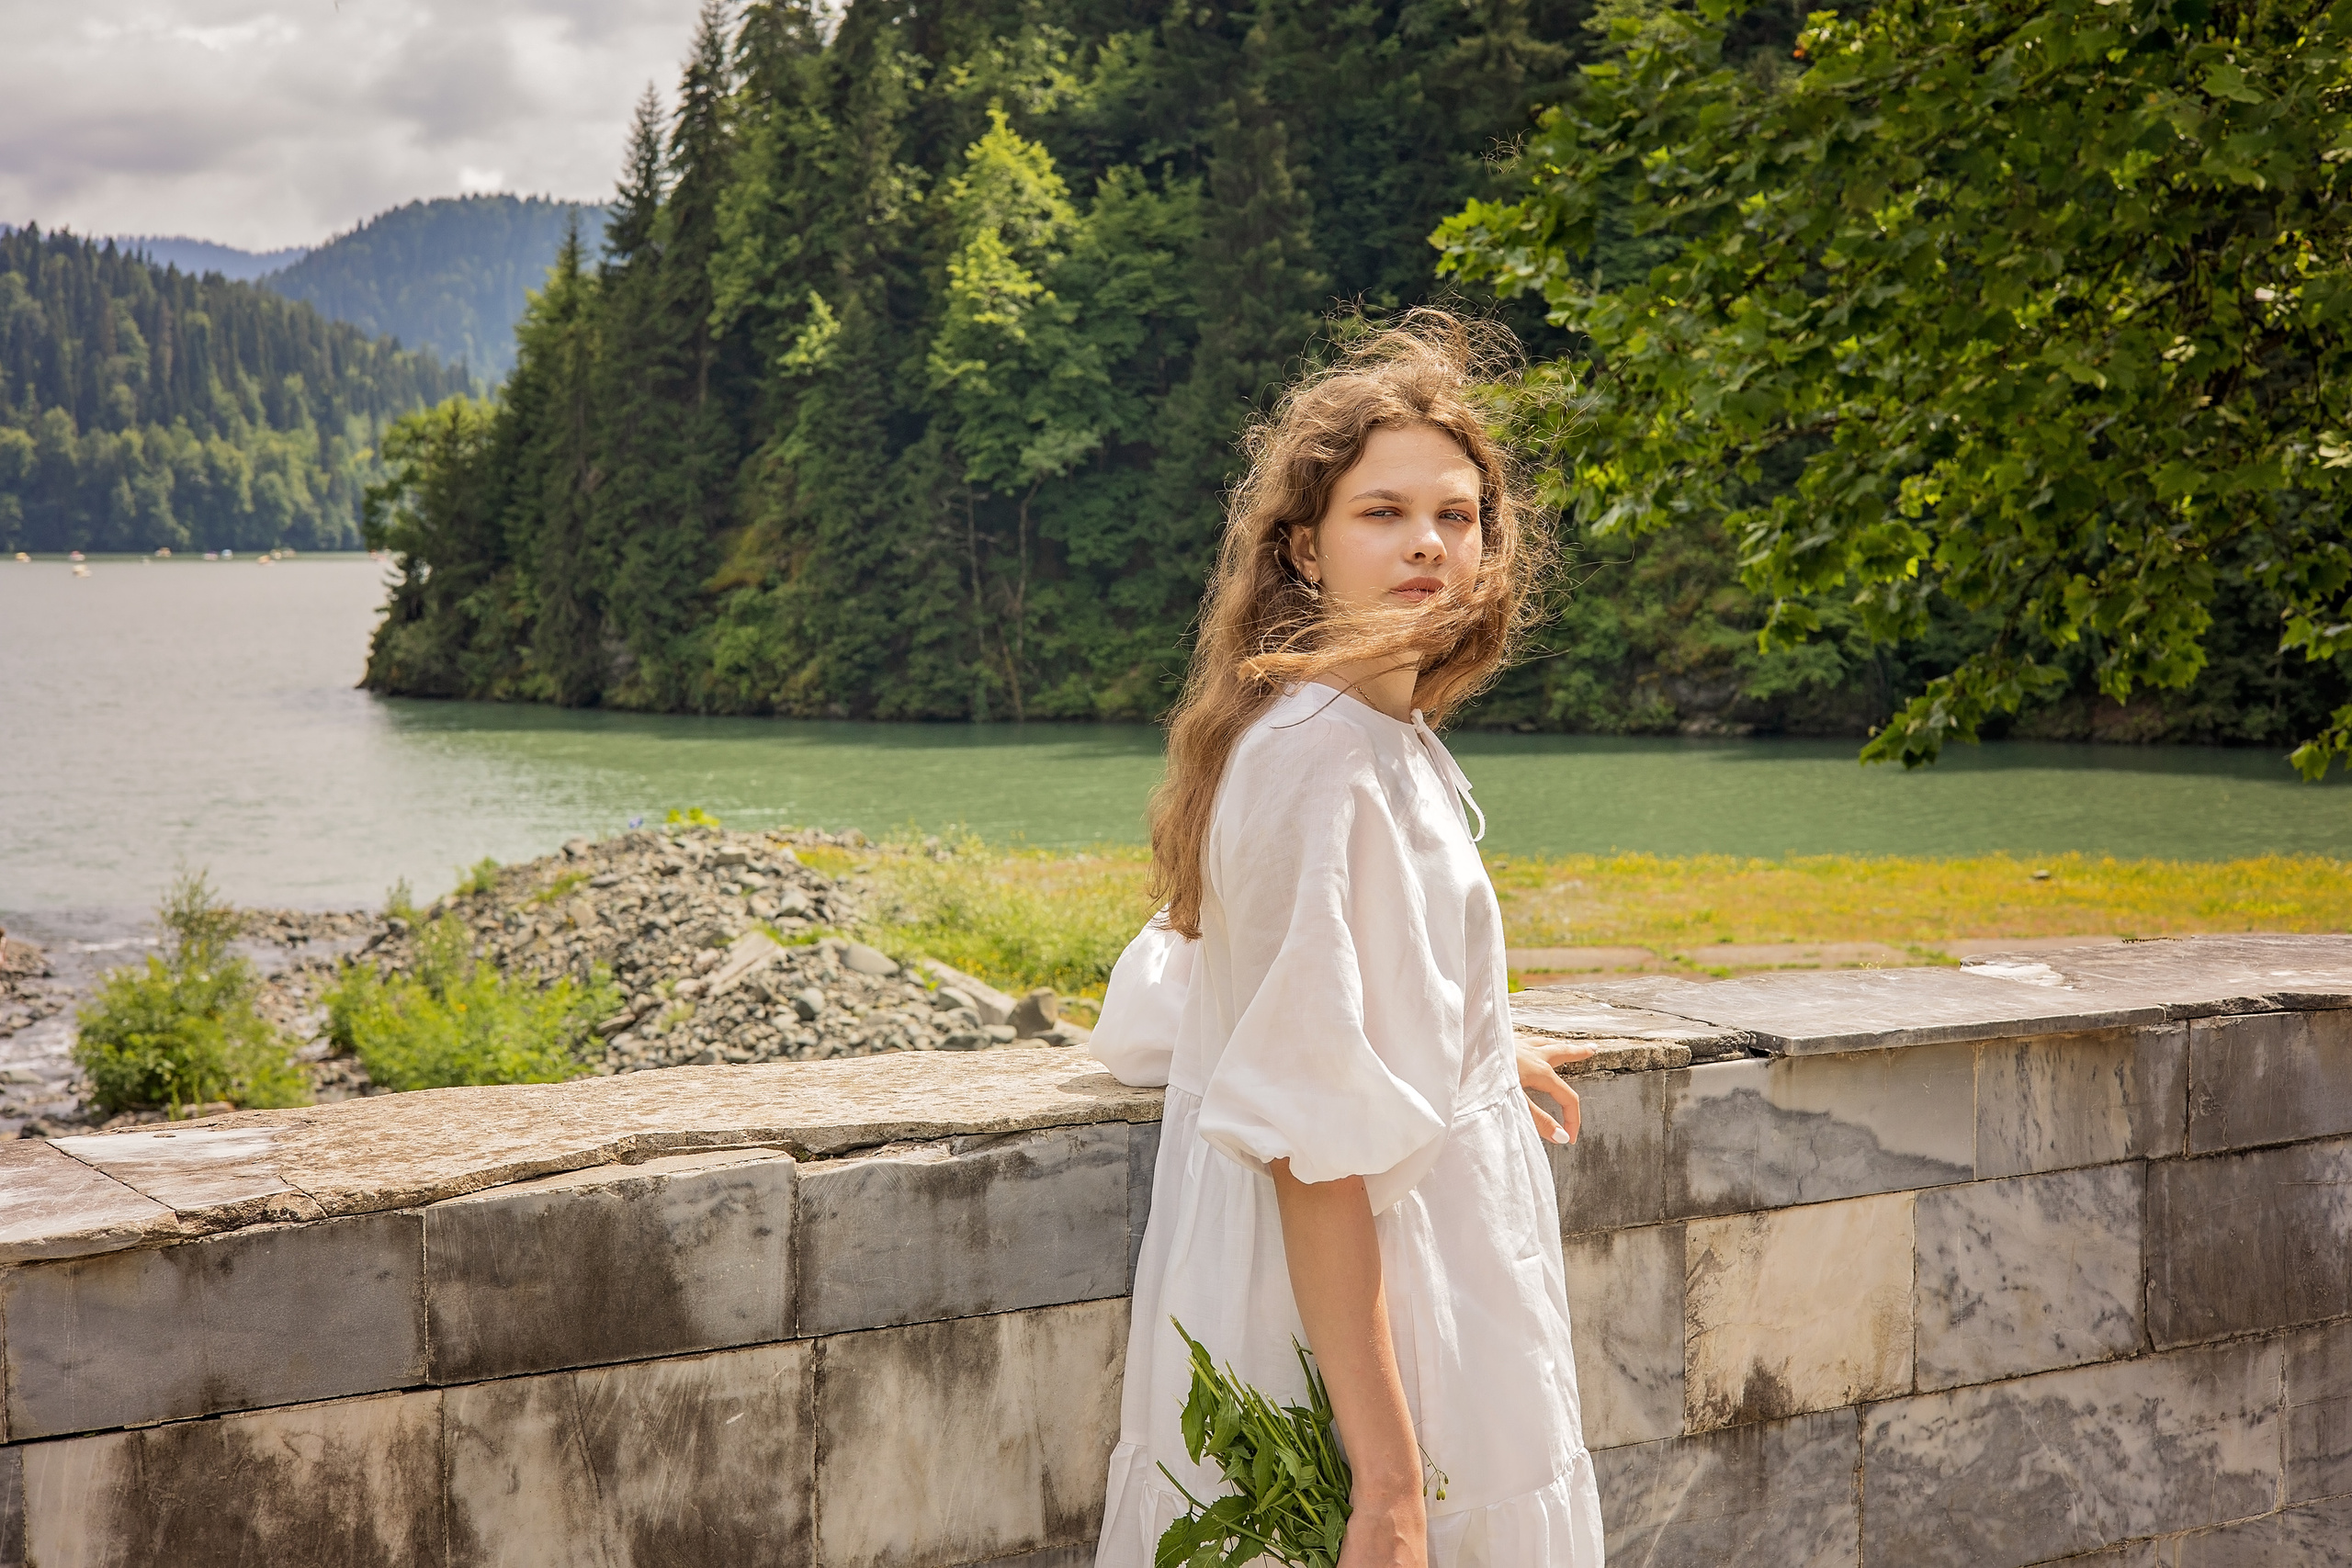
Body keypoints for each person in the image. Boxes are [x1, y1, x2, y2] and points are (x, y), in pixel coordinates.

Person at [1088, 310, 1606, 1568]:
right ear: (1306, 551)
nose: (1430, 541)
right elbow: (1312, 1157)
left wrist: (1473, 1039)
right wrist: (1386, 1482)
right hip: (1368, 1303)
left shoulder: (1386, 733)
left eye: (1458, 514)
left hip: (1443, 1253)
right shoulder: (1320, 760)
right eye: (1383, 513)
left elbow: (1317, 983)